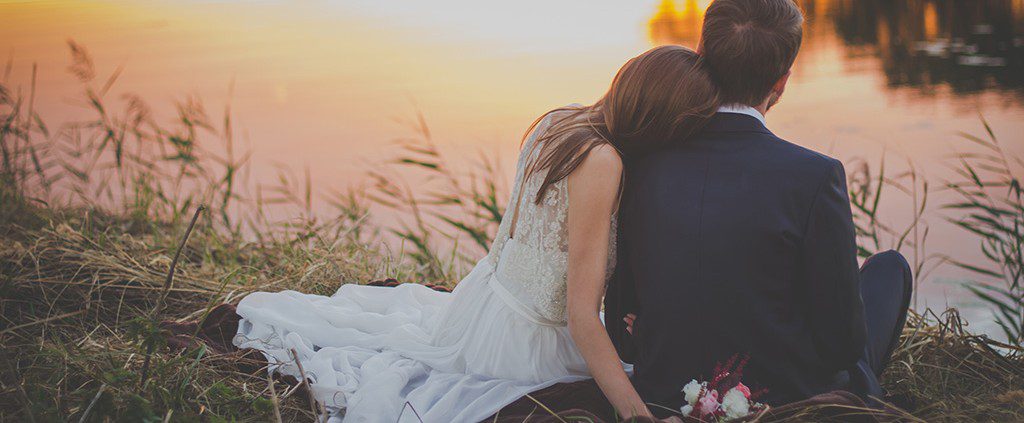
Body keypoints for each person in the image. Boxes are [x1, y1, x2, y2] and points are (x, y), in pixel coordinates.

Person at [232, 45, 719, 422]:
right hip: (524, 344)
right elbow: (579, 316)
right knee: (634, 386)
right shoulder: (603, 162)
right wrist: (635, 414)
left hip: (482, 304)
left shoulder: (563, 119)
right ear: (662, 122)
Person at [604, 0, 914, 416]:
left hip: (665, 390)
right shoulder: (815, 176)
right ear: (782, 82)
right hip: (783, 394)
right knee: (889, 269)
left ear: (701, 58)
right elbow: (841, 346)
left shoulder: (641, 165)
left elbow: (622, 336)